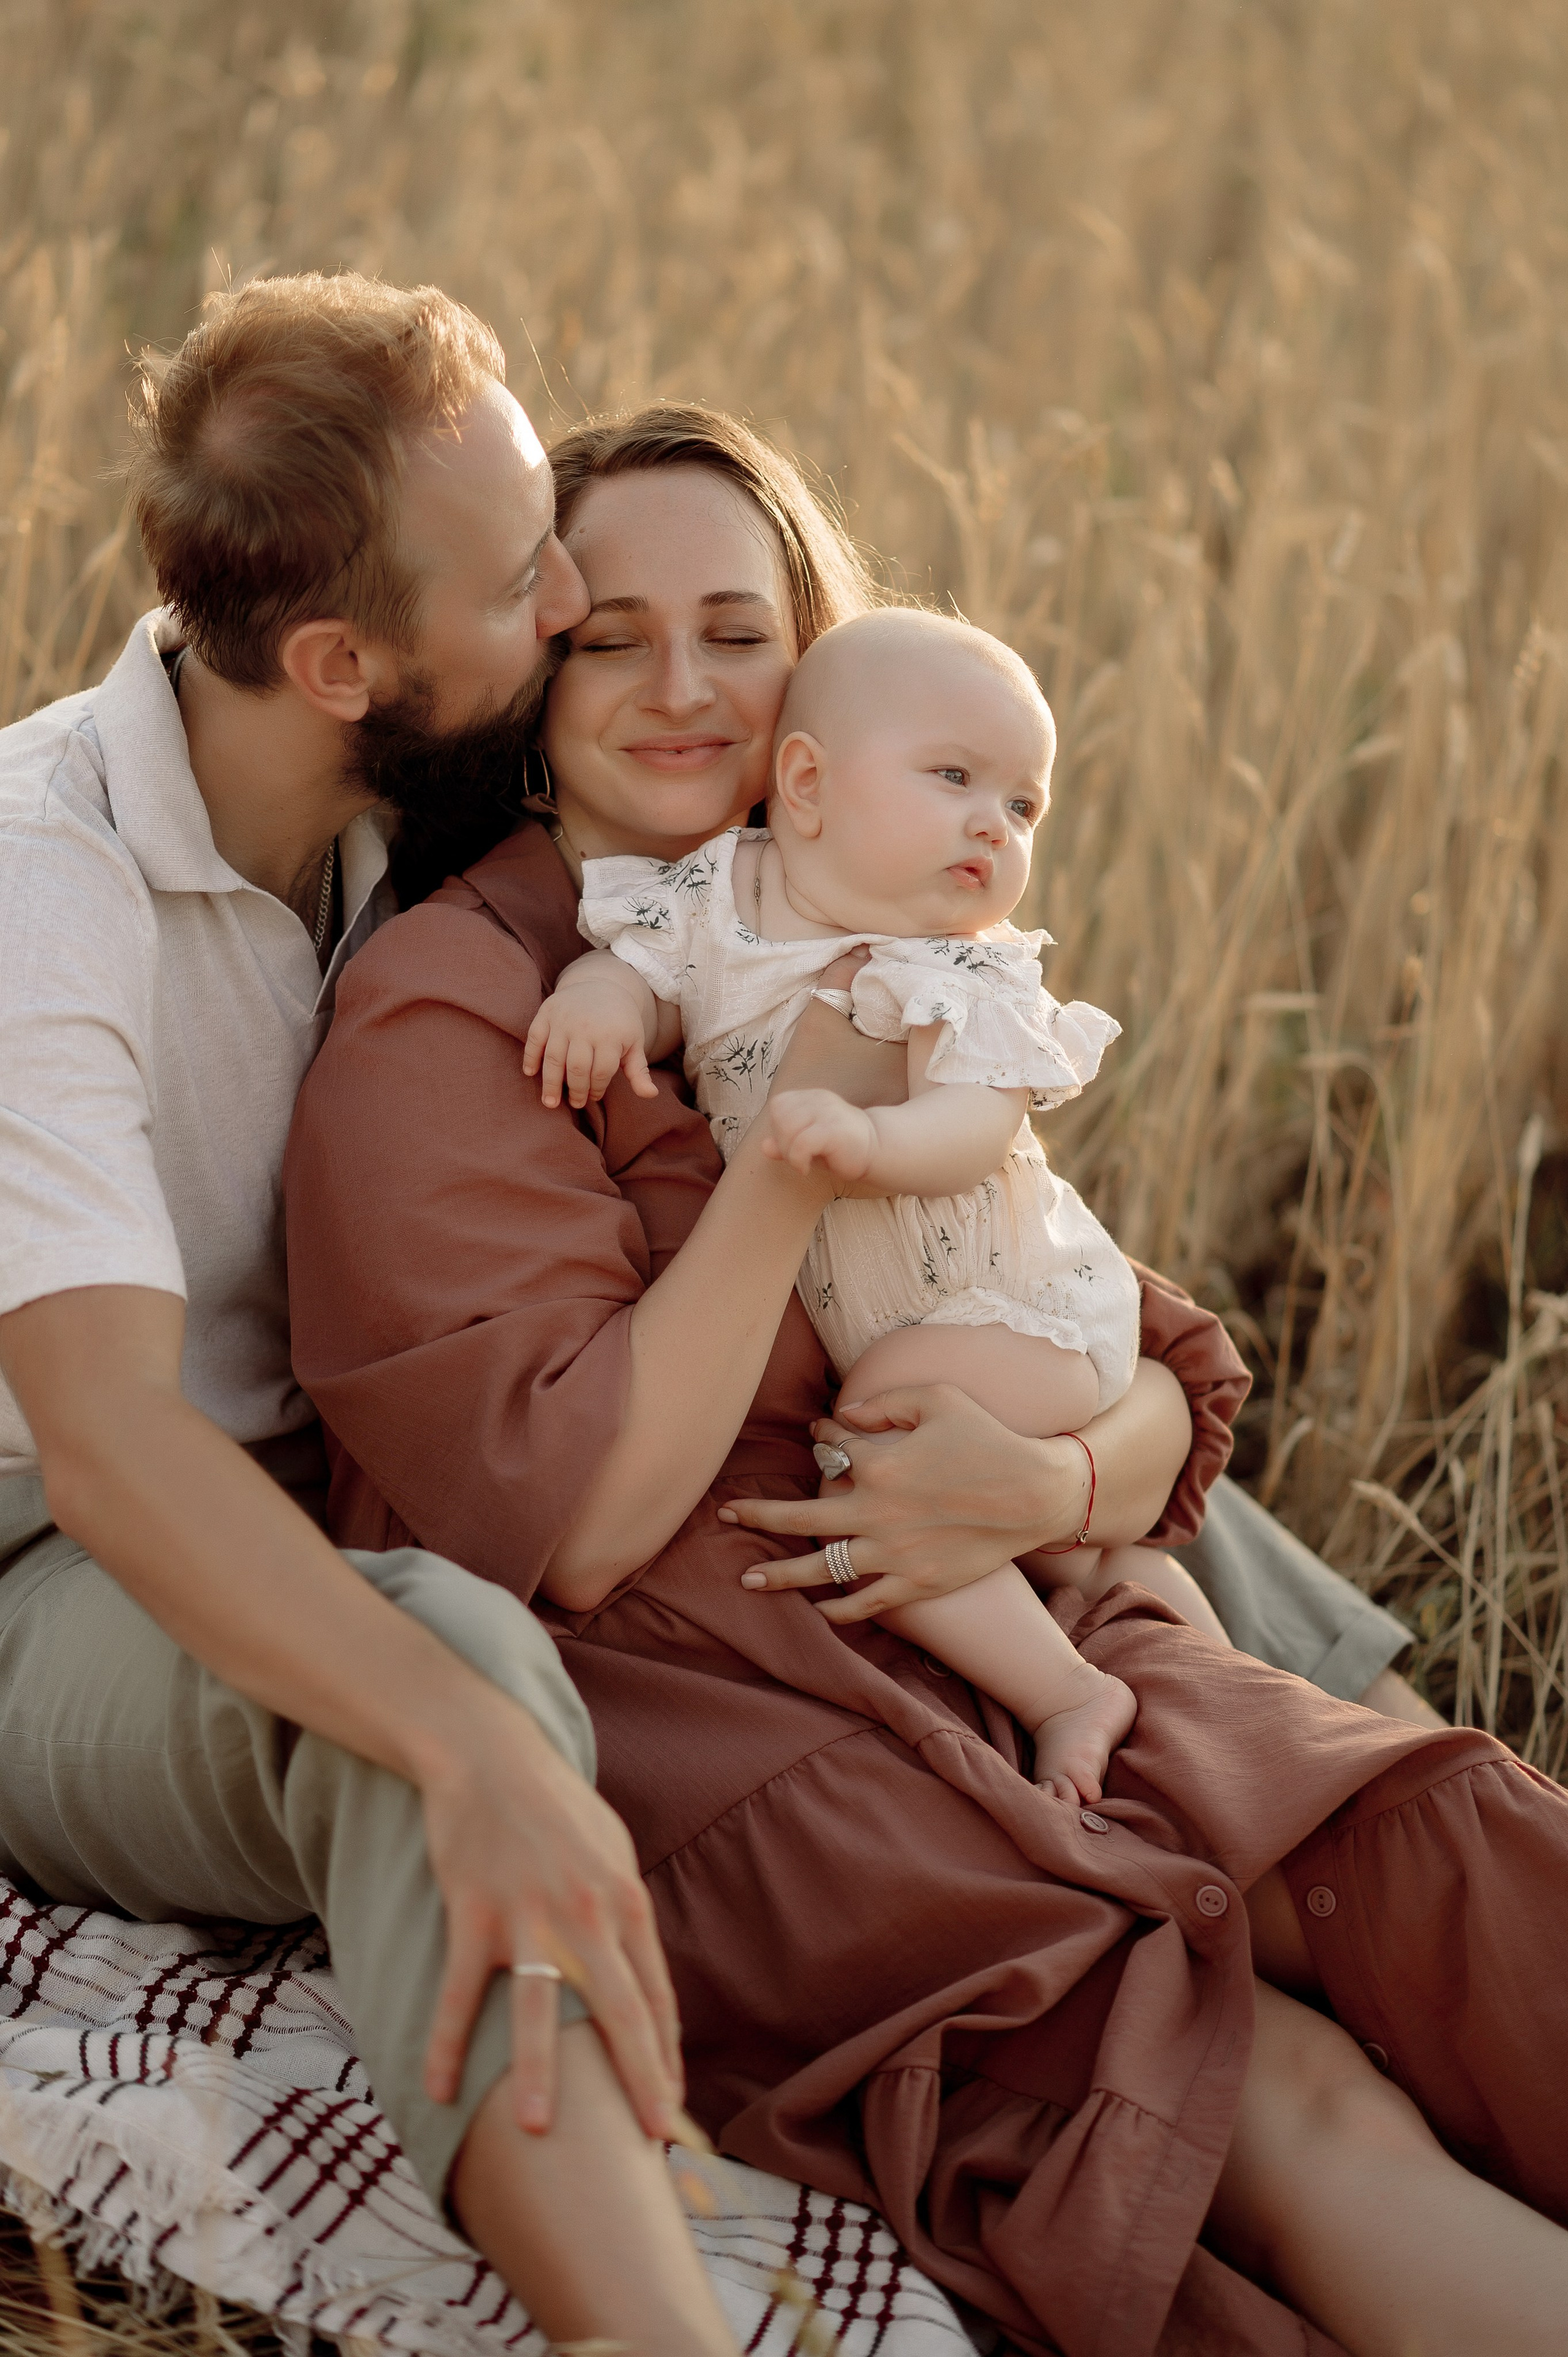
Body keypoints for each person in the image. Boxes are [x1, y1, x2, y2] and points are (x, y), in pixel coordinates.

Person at [287, 400, 1568, 2356]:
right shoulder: (448, 1010)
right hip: (745, 1701)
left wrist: (1059, 1491)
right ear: (523, 670)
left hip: (1020, 1608)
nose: (681, 685)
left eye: (738, 625)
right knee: (1272, 2097)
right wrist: (802, 1155)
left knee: (1444, 1866)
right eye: (609, 633)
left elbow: (1147, 1358)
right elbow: (587, 1515)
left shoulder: (875, 937)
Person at [0, 276, 742, 2357]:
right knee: (456, 1681)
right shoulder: (36, 885)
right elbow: (109, 1444)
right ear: (341, 661)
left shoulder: (419, 800)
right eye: (526, 576)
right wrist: (457, 1735)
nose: (579, 593)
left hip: (329, 1479)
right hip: (40, 1564)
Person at [525, 603, 1234, 1801]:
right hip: (917, 1321)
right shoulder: (716, 899)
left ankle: (1068, 1692)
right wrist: (601, 1000)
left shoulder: (960, 963)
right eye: (952, 778)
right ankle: (1117, 1609)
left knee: (876, 1452)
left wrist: (867, 1134)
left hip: (1020, 1306)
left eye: (1020, 805)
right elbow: (650, 976)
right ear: (803, 783)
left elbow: (976, 1124)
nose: (989, 825)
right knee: (929, 1468)